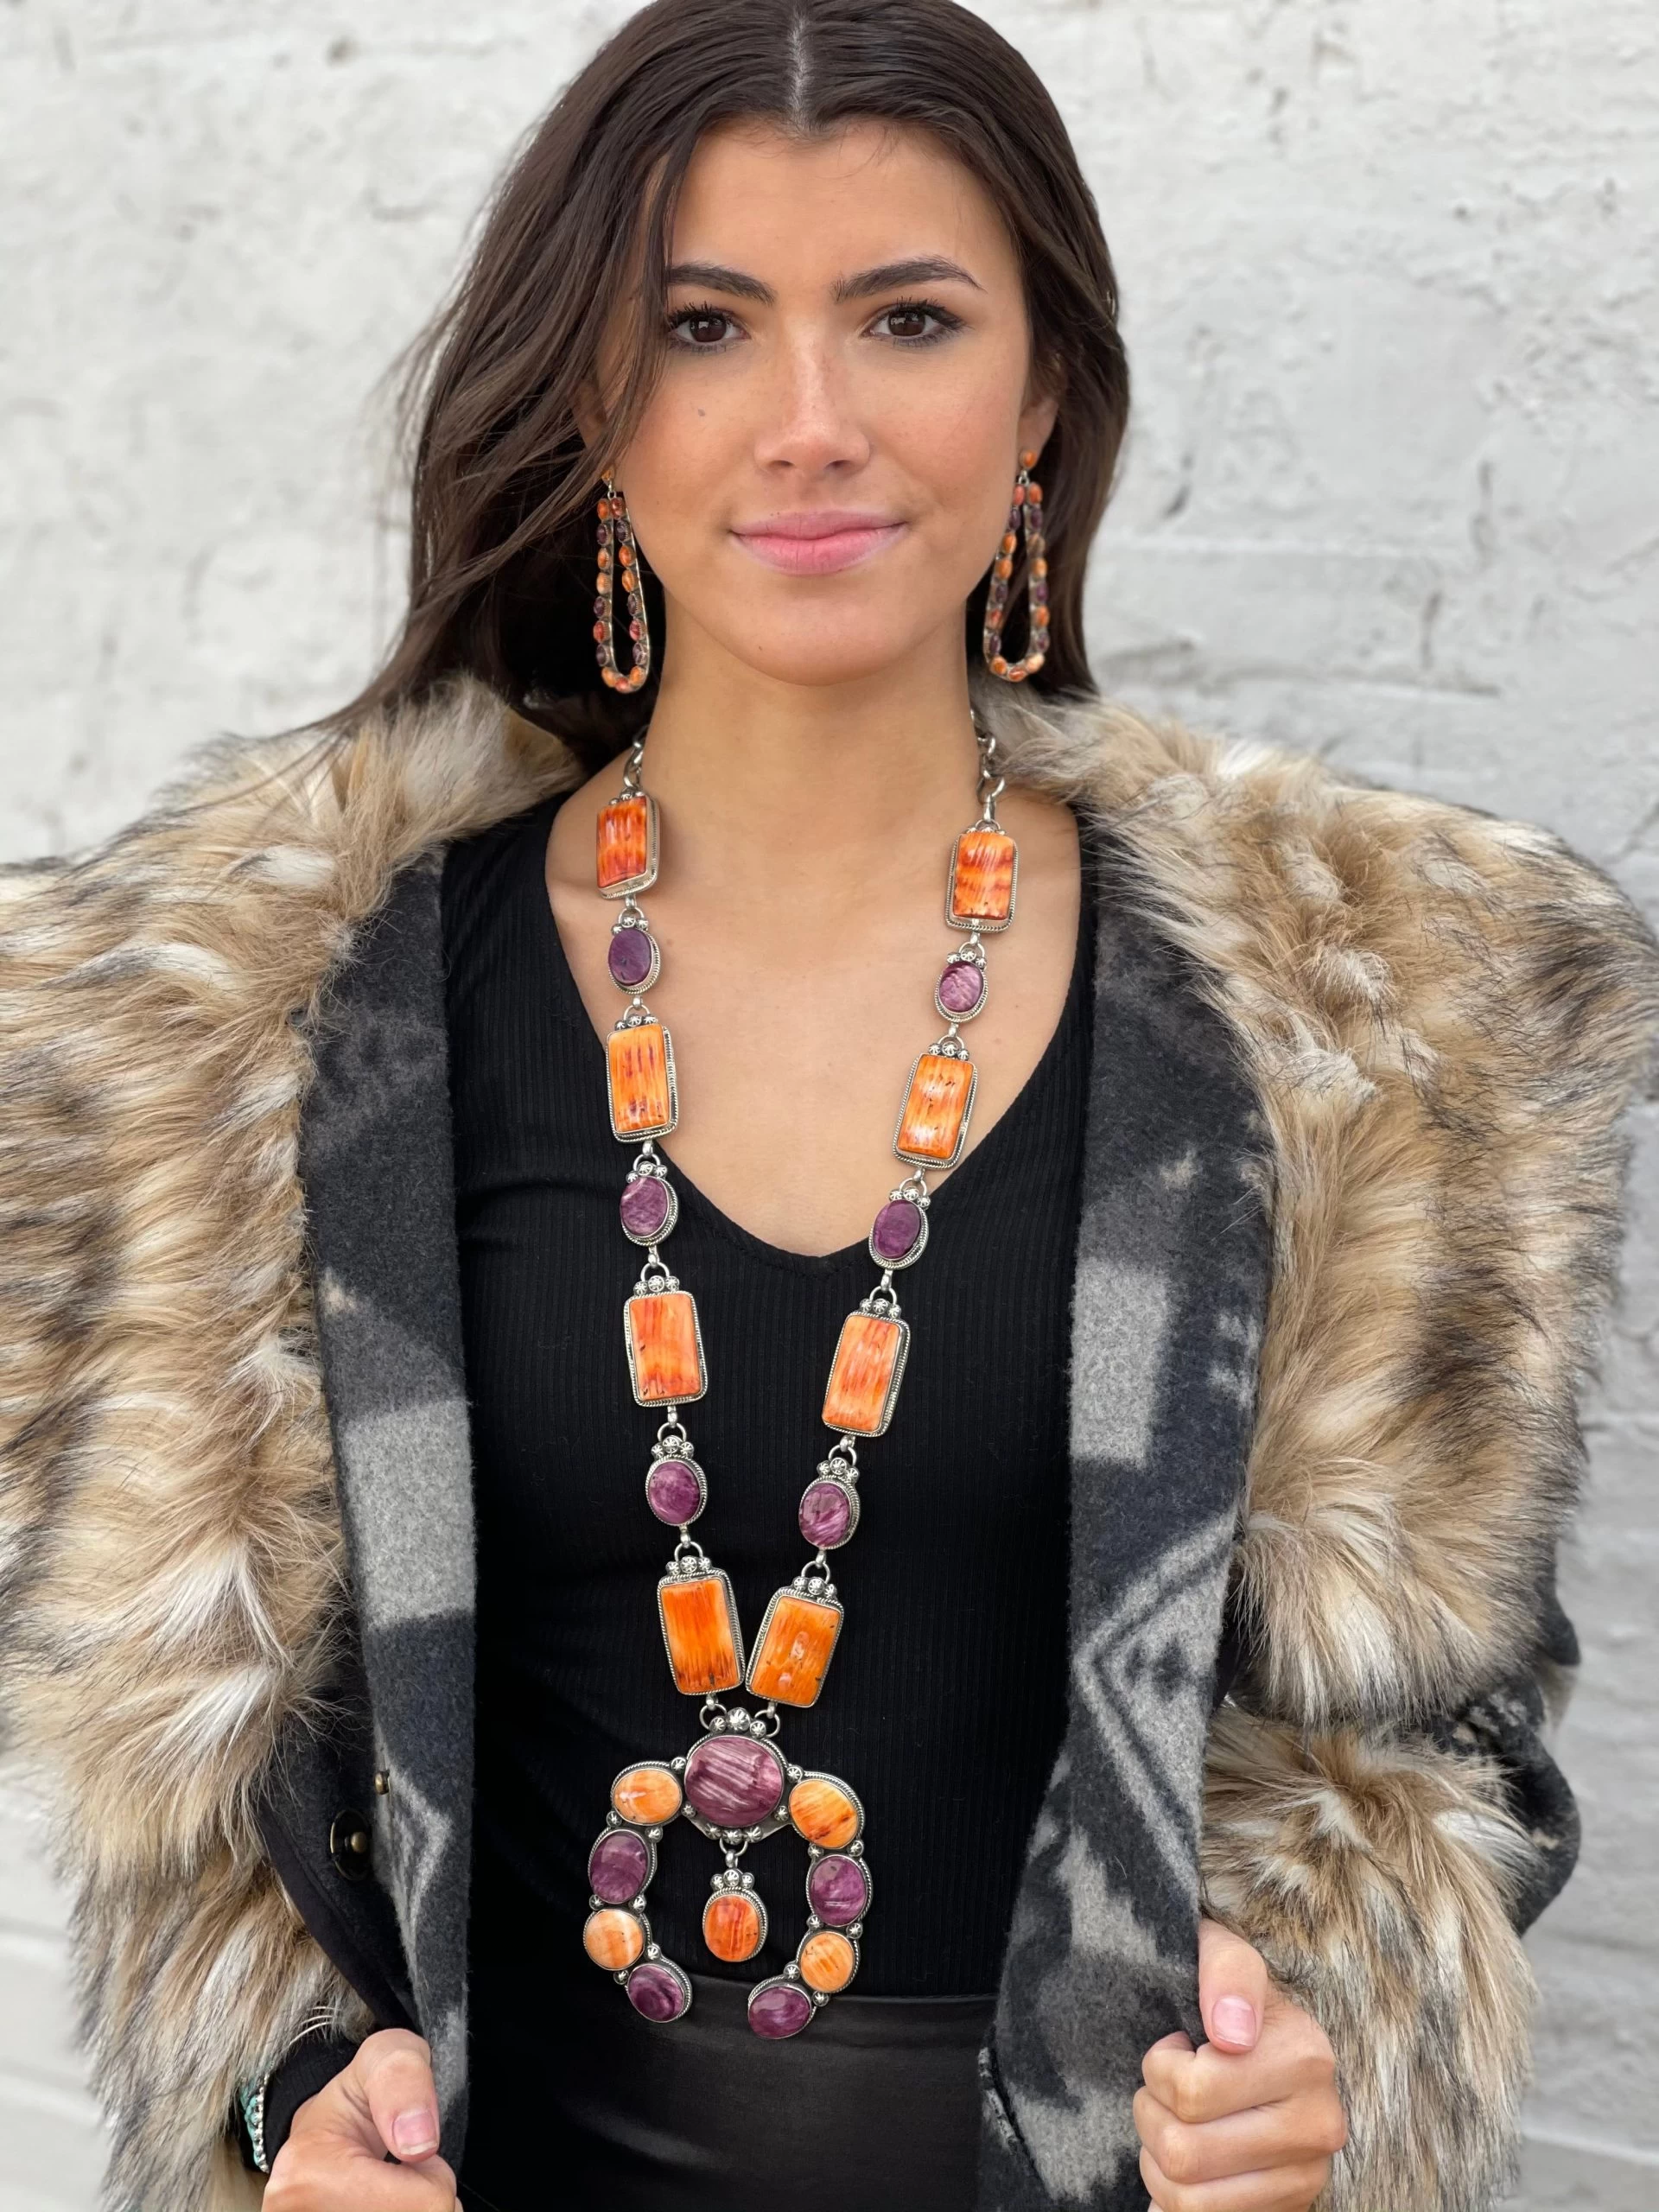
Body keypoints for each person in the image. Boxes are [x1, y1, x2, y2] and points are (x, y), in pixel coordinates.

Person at [1, 3, 1650, 2209]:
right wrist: (269, 2107)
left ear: (1043, 396)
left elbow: (1450, 1753)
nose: (811, 423)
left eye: (910, 319)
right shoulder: (284, 1032)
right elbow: (192, 1823)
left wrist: (1319, 2050)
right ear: (590, 399)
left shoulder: (1367, 1036)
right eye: (703, 325)